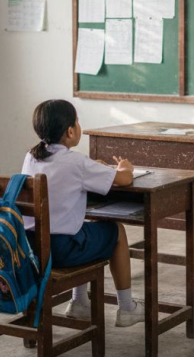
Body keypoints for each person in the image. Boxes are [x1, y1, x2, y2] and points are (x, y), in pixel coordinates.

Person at [22, 99, 144, 327]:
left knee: (88, 225)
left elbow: (70, 170)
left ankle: (79, 302)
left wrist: (90, 165)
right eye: (77, 122)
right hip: (61, 251)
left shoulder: (31, 157)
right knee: (116, 230)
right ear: (70, 131)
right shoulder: (76, 163)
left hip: (32, 249)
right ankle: (127, 308)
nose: (79, 126)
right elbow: (124, 180)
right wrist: (125, 166)